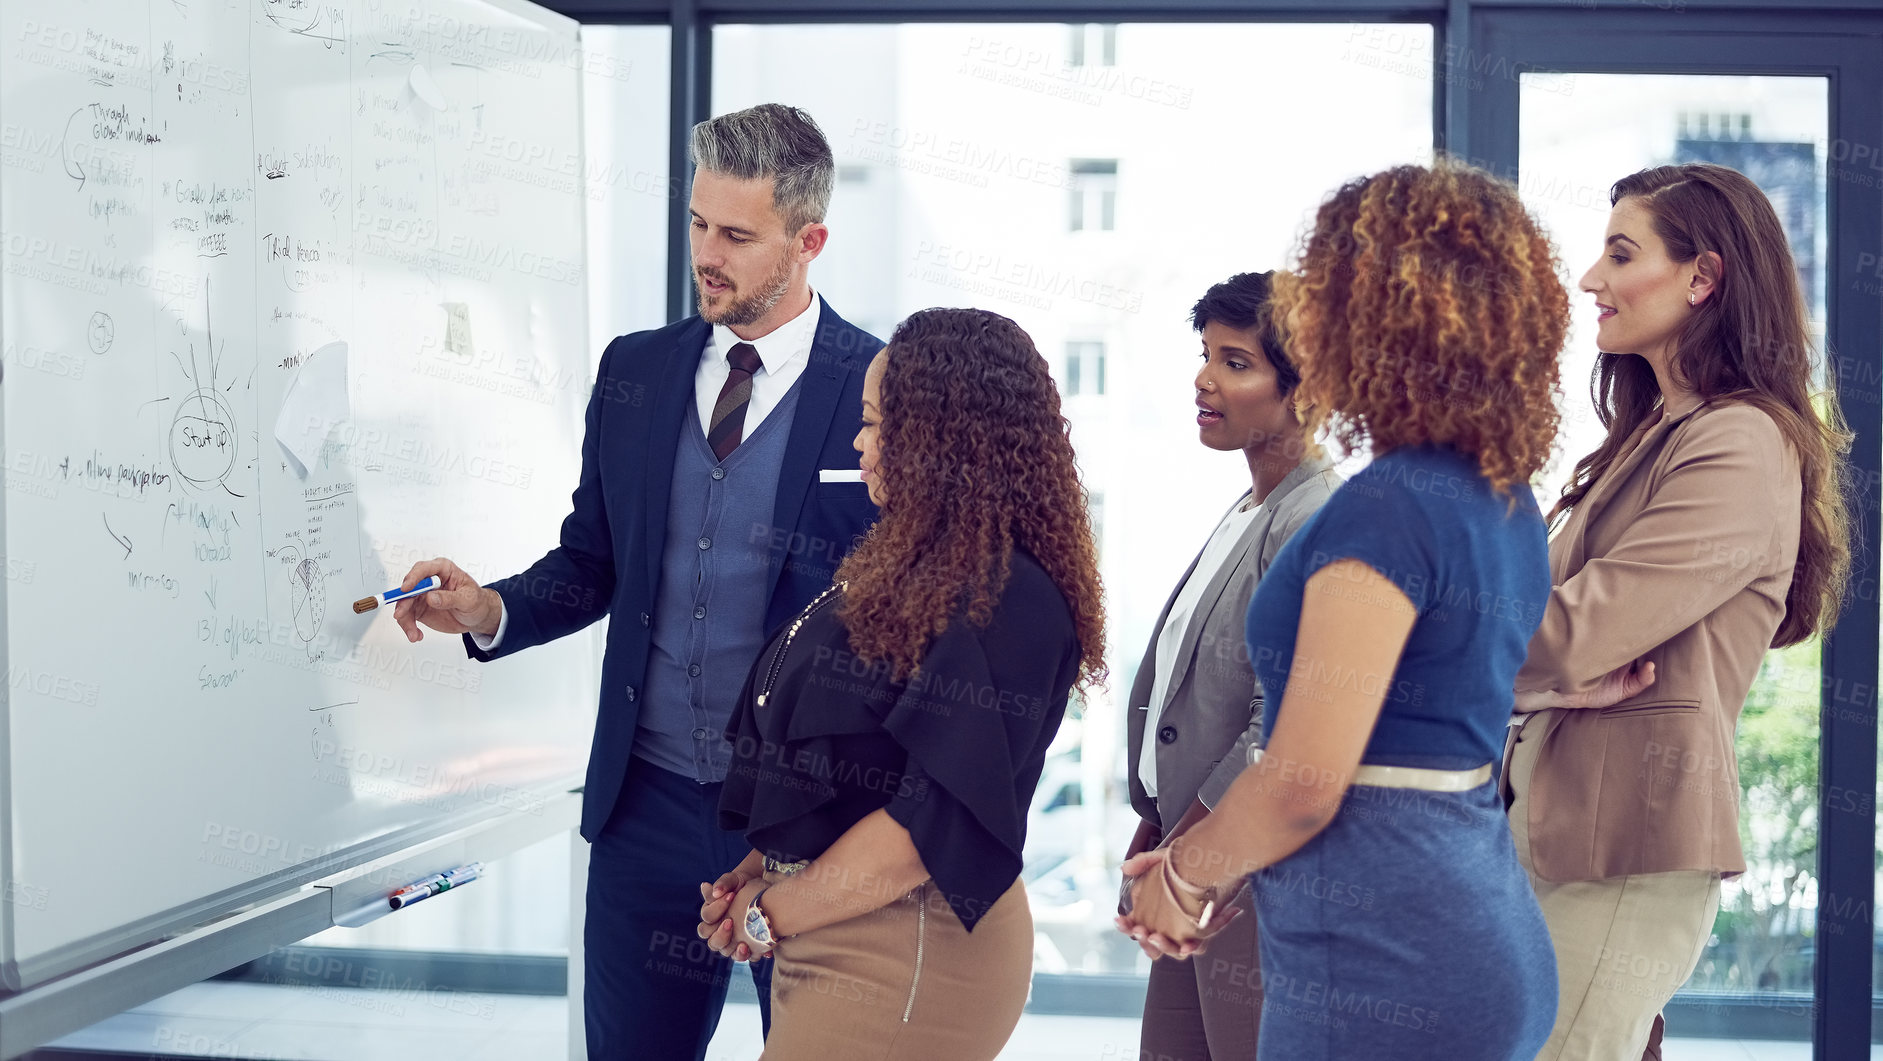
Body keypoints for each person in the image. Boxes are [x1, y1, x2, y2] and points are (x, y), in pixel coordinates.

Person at [389, 103, 883, 1061]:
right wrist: (488, 606)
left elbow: (907, 607)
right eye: (698, 223)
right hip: (644, 807)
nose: (707, 252)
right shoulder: (638, 371)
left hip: (806, 816)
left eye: (737, 235)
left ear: (809, 239)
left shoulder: (872, 382)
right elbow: (592, 562)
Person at [1119, 160, 1569, 1060]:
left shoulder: (1386, 507)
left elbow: (1298, 782)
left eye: (1323, 285)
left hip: (1381, 963)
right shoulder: (1498, 491)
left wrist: (1183, 873)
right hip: (1464, 933)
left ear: (1375, 312)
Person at [1506, 162, 1851, 1060]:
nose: (1591, 279)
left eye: (1620, 254)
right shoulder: (1654, 432)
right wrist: (1540, 681)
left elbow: (1571, 630)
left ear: (1701, 277)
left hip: (1621, 844)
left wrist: (1449, 663)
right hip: (1554, 830)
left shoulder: (1738, 440)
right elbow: (1543, 632)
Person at [696, 307, 1106, 1061]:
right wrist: (758, 874)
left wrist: (770, 912)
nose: (860, 443)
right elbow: (842, 757)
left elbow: (924, 826)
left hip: (910, 946)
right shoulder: (904, 571)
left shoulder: (1007, 595)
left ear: (944, 441)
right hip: (829, 926)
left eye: (877, 423)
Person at [1120, 270, 1340, 1060]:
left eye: (1236, 362)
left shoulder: (1312, 516)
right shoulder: (1252, 505)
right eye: (1206, 354)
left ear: (1304, 387)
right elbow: (1196, 696)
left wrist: (1182, 858)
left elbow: (1274, 722)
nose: (1203, 379)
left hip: (1245, 871)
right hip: (1193, 857)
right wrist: (1154, 827)